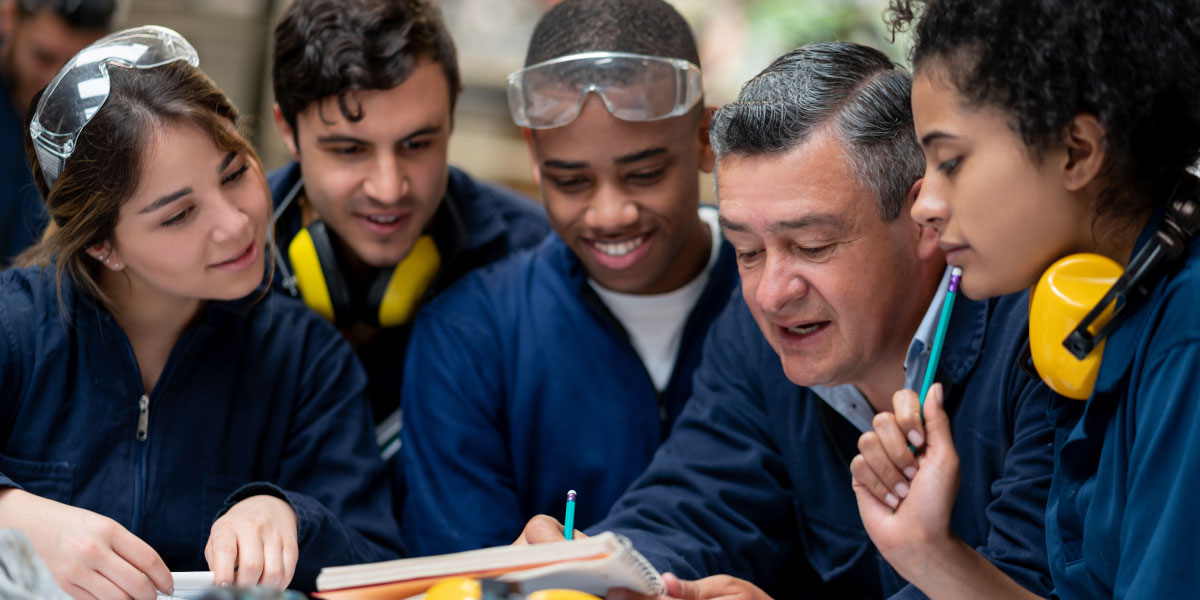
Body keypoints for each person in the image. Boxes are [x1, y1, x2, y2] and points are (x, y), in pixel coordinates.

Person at [517, 42, 1057, 599]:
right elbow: (696, 499)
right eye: (746, 251)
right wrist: (606, 573)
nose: (772, 295)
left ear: (924, 219)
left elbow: (1032, 581)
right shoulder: (753, 334)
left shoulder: (1038, 338)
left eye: (813, 245)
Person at [0, 26, 403, 598]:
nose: (236, 224)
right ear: (101, 244)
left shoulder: (307, 363)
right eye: (178, 215)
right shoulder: (13, 330)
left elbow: (381, 565)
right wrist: (14, 518)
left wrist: (290, 516)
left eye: (235, 172)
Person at [851, 1, 1200, 599]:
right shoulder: (1120, 315)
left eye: (950, 162)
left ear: (1076, 152)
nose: (924, 205)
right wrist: (928, 553)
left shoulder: (1186, 335)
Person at [400, 0, 739, 556]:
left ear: (705, 138)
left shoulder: (779, 311)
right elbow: (459, 575)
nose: (611, 214)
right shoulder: (470, 338)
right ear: (535, 157)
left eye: (645, 173)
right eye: (571, 181)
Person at [268, 0, 550, 434]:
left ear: (452, 116)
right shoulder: (218, 259)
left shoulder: (537, 262)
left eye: (417, 145)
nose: (388, 188)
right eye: (349, 150)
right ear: (287, 130)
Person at [0, 0, 118, 264]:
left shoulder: (109, 125)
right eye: (43, 57)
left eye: (73, 66)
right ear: (8, 17)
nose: (55, 81)